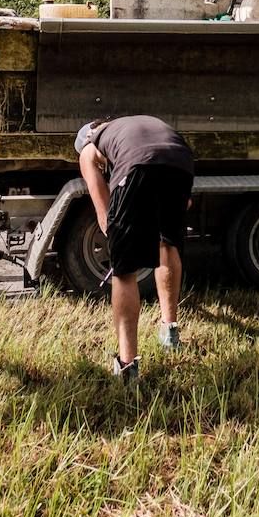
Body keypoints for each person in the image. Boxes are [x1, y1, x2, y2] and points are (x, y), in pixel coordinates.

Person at [75, 115, 195, 382]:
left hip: (138, 164)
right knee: (168, 243)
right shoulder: (132, 125)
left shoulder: (89, 147)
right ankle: (170, 335)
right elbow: (183, 204)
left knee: (125, 271)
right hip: (181, 162)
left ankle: (127, 368)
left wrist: (118, 239)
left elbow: (102, 210)